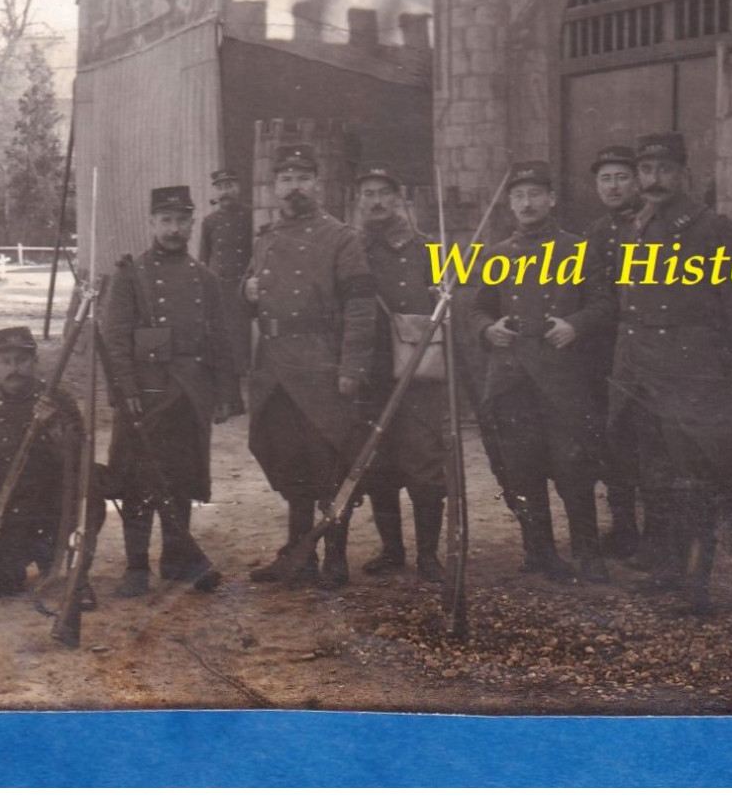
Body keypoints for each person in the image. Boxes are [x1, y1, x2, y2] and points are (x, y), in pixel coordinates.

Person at [608, 132, 732, 613]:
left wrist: (710, 352)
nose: (653, 180)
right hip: (640, 373)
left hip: (688, 374)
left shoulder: (708, 227)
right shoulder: (637, 225)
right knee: (656, 477)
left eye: (663, 170)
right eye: (646, 171)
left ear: (683, 174)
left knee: (694, 480)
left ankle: (696, 588)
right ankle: (666, 571)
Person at [470, 161, 612, 584]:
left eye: (535, 195)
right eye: (518, 196)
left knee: (574, 465)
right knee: (521, 466)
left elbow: (606, 304)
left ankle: (589, 553)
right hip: (513, 377)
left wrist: (575, 325)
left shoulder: (578, 248)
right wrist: (487, 329)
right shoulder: (497, 253)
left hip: (562, 377)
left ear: (551, 199)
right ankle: (541, 551)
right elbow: (479, 308)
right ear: (510, 204)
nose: (527, 203)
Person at [245, 143, 376, 589]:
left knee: (331, 465)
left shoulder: (341, 237)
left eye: (302, 178)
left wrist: (352, 367)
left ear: (317, 184)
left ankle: (335, 558)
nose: (294, 187)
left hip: (322, 364)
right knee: (288, 461)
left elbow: (360, 307)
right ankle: (298, 555)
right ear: (275, 186)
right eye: (285, 179)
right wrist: (248, 293)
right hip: (275, 369)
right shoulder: (265, 238)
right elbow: (252, 296)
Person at [100, 185, 238, 598]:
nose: (174, 230)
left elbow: (221, 339)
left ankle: (177, 560)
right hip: (145, 395)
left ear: (193, 224)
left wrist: (223, 393)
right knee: (137, 482)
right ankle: (136, 566)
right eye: (166, 221)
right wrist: (126, 390)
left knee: (180, 482)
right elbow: (115, 339)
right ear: (151, 223)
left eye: (181, 221)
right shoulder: (130, 276)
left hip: (189, 396)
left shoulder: (206, 280)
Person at [0, 326, 105, 605]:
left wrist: (56, 428)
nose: (14, 368)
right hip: (13, 514)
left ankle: (73, 572)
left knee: (91, 497)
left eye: (21, 360)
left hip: (57, 513)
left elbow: (81, 460)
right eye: (5, 361)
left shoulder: (60, 401)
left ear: (35, 363)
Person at [354, 163, 447, 583]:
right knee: (377, 465)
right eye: (368, 194)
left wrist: (445, 295)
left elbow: (456, 298)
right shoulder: (350, 249)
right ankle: (393, 550)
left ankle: (429, 555)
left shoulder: (428, 247)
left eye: (383, 194)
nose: (376, 202)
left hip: (416, 373)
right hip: (368, 375)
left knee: (425, 464)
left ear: (398, 200)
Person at [581, 144, 644, 560]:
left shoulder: (651, 225)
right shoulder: (597, 233)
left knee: (651, 445)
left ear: (637, 181)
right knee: (613, 442)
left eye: (621, 177)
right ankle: (624, 529)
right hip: (605, 353)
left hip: (648, 353)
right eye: (605, 178)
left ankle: (658, 537)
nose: (614, 186)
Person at [198, 168, 253, 411]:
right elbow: (204, 257)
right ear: (215, 191)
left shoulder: (250, 216)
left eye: (230, 185)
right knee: (224, 344)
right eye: (221, 187)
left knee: (246, 344)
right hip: (220, 291)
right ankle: (232, 400)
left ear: (238, 188)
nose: (226, 191)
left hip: (245, 289)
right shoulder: (209, 222)